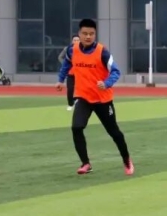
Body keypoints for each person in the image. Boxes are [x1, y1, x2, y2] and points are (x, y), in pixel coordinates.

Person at [56, 18, 133, 176]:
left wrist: (106, 83)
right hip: (83, 97)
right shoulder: (72, 50)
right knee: (76, 127)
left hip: (102, 99)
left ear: (95, 34)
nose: (88, 36)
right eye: (85, 33)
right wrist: (60, 80)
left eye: (91, 34)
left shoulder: (102, 52)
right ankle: (85, 163)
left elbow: (116, 71)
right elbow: (66, 64)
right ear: (79, 34)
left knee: (114, 132)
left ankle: (126, 159)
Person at [58, 35, 79, 110]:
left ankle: (78, 101)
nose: (76, 41)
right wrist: (60, 80)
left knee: (83, 89)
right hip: (71, 73)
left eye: (77, 40)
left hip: (81, 74)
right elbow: (60, 58)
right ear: (72, 41)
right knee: (70, 89)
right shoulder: (68, 49)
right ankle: (70, 104)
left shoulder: (84, 49)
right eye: (74, 40)